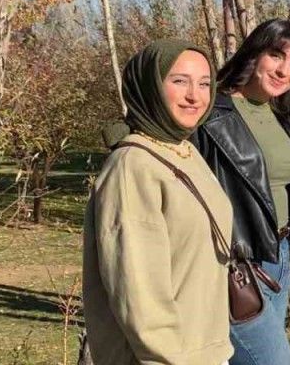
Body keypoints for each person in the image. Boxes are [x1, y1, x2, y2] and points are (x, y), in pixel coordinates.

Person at [83, 39, 234, 365]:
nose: (195, 95)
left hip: (205, 350)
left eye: (204, 83)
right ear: (150, 87)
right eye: (180, 81)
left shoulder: (185, 151)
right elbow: (138, 290)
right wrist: (171, 358)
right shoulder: (133, 166)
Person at [191, 19, 290, 365]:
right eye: (276, 55)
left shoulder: (283, 115)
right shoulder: (211, 113)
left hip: (279, 255)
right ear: (254, 53)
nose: (284, 70)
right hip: (236, 262)